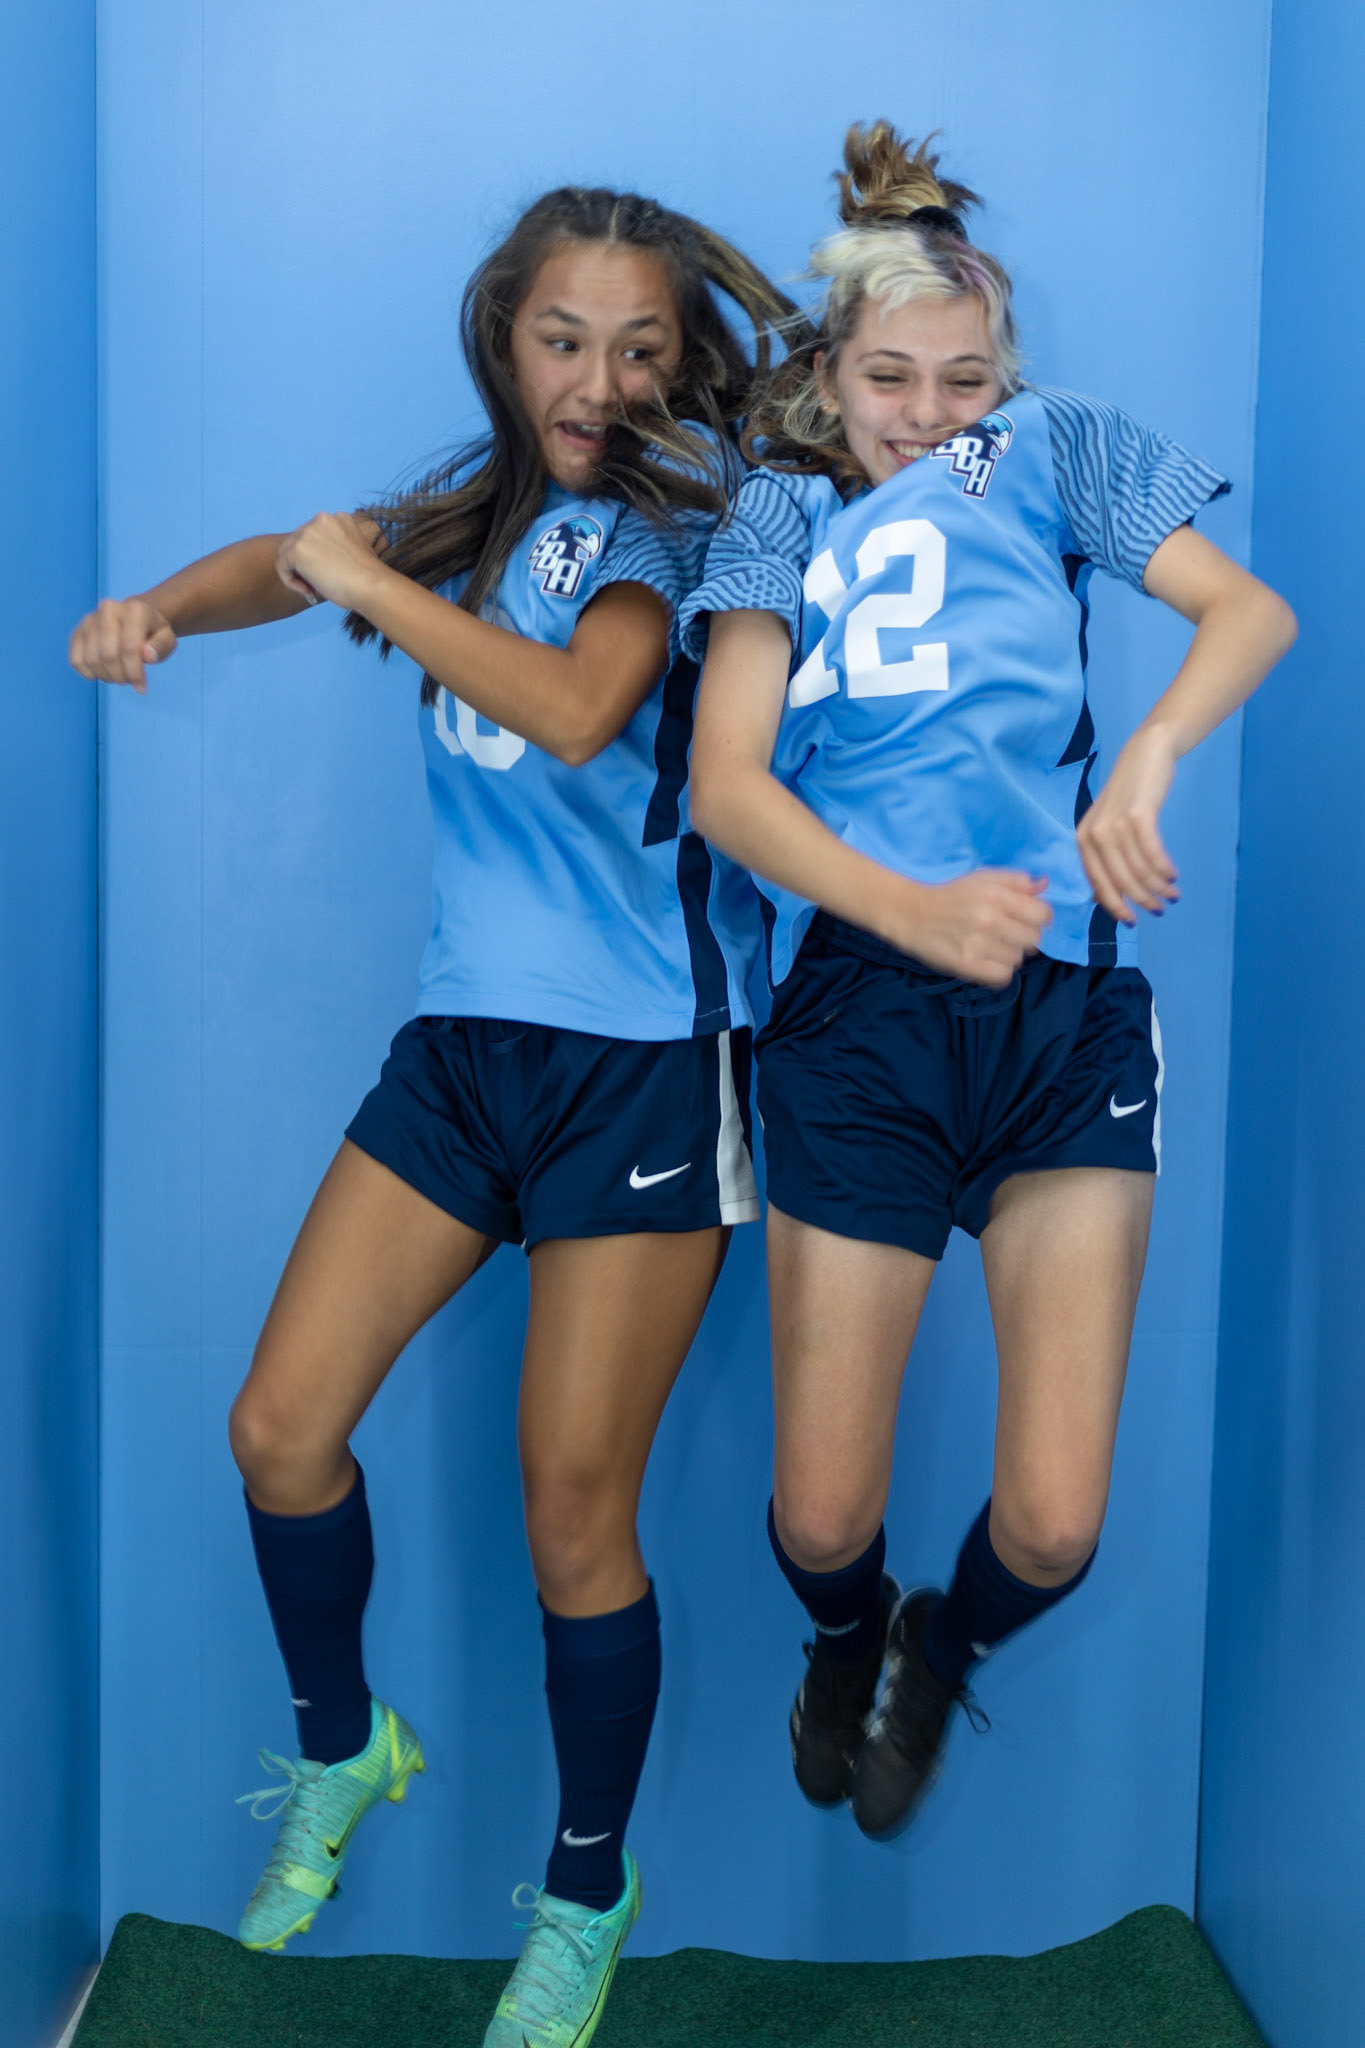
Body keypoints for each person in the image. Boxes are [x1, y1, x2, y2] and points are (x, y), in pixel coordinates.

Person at [70, 184, 794, 2048]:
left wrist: (368, 582)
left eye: (638, 346)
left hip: (643, 1066)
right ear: (503, 338)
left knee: (572, 1516)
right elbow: (284, 562)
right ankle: (345, 1746)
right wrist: (166, 607)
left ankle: (584, 1890)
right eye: (562, 338)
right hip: (463, 1052)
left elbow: (579, 708)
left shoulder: (683, 529)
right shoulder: (472, 517)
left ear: (681, 363)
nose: (597, 379)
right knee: (277, 1427)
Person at [685, 123, 1295, 1843]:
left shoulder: (1052, 448)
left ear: (1003, 381)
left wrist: (1141, 763)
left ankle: (939, 1647)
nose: (926, 410)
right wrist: (912, 910)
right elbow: (728, 787)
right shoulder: (777, 515)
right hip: (855, 1017)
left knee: (1050, 1526)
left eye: (963, 379)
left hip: (1060, 1012)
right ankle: (847, 1630)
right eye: (889, 376)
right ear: (829, 372)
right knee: (820, 1519)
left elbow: (1247, 616)